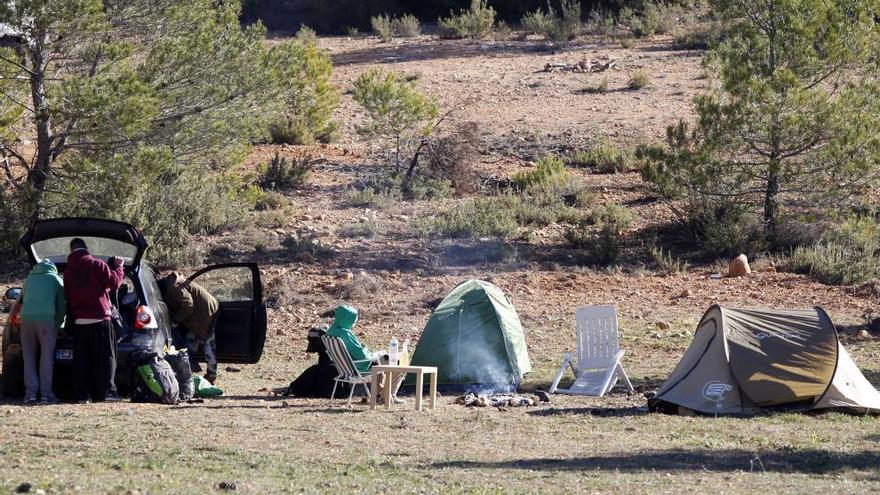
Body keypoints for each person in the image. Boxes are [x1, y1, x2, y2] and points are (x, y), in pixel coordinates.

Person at [64, 238, 124, 403]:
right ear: (86, 249)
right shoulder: (97, 264)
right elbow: (115, 282)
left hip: (80, 322)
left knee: (82, 361)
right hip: (100, 319)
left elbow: (67, 297)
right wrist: (119, 267)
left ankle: (82, 395)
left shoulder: (68, 272)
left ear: (71, 251)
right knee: (106, 358)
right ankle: (107, 393)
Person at [325, 305, 404, 404]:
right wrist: (374, 355)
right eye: (353, 321)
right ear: (347, 320)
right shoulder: (345, 334)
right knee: (396, 362)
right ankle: (387, 396)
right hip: (359, 369)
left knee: (381, 363)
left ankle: (375, 395)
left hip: (345, 370)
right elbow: (363, 356)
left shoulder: (330, 332)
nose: (353, 324)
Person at [158, 272, 219, 384]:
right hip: (202, 311)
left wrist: (175, 320)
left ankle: (211, 375)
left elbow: (188, 305)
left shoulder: (173, 288)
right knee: (190, 343)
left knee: (207, 343)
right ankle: (189, 372)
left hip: (206, 311)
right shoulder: (171, 286)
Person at [19, 260, 66, 404]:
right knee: (46, 357)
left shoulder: (28, 280)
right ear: (53, 268)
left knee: (29, 357)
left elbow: (22, 300)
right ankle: (46, 394)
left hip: (26, 320)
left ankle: (31, 394)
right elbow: (62, 306)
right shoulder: (55, 279)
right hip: (46, 321)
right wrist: (59, 325)